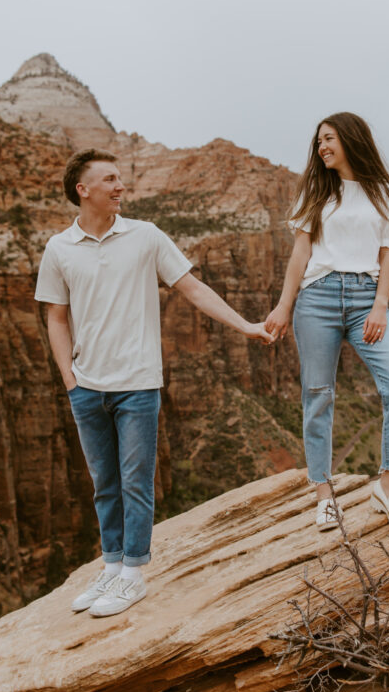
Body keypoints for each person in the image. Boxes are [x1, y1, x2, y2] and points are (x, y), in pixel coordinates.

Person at [35, 148, 273, 617]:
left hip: (138, 384)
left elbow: (193, 288)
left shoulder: (145, 236)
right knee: (104, 482)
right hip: (87, 387)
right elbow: (55, 317)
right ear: (83, 190)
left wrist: (245, 325)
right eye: (110, 179)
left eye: (121, 178)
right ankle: (111, 564)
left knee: (136, 482)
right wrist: (69, 377)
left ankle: (132, 576)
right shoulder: (59, 248)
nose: (120, 186)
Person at [265, 113, 389, 534]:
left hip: (367, 298)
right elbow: (300, 254)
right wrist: (283, 306)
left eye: (329, 139)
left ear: (351, 139)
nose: (321, 148)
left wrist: (381, 306)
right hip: (317, 299)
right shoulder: (315, 190)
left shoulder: (385, 192)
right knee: (317, 394)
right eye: (318, 142)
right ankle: (324, 495)